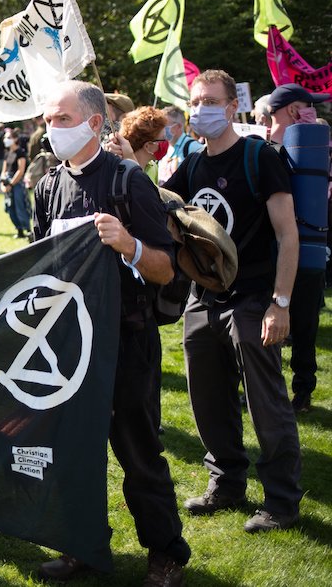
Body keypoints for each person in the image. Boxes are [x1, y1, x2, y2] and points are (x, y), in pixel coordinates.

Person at [33, 81, 189, 586]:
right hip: (68, 345)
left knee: (138, 453)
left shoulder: (128, 181)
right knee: (74, 450)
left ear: (94, 123)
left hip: (126, 341)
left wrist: (129, 245)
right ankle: (80, 543)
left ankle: (166, 553)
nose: (50, 128)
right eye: (48, 119)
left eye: (60, 119)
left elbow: (167, 268)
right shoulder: (47, 186)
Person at [163, 70, 302, 533]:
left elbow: (288, 233)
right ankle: (226, 483)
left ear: (230, 108)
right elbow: (160, 205)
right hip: (204, 298)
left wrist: (279, 303)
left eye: (210, 101)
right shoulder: (194, 164)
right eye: (195, 100)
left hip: (255, 298)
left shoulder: (259, 156)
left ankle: (281, 501)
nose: (200, 108)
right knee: (206, 396)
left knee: (266, 402)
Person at [261, 83, 331, 413]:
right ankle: (302, 393)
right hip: (309, 252)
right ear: (292, 110)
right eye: (307, 106)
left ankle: (275, 392)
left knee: (281, 327)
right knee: (303, 329)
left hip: (279, 255)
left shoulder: (259, 151)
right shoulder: (268, 152)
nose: (312, 112)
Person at [119, 106, 171, 186]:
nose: (166, 142)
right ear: (147, 146)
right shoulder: (121, 171)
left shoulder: (153, 167)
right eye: (163, 139)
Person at [158, 106, 202, 186]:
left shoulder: (193, 147)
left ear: (178, 126)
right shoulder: (163, 147)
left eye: (165, 125)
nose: (161, 129)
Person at [0, 133, 31, 238]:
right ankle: (19, 230)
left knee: (20, 206)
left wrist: (11, 184)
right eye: (5, 138)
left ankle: (28, 229)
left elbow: (20, 170)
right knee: (10, 207)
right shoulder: (7, 152)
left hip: (17, 183)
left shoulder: (20, 152)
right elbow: (4, 170)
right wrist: (3, 184)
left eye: (9, 137)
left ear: (15, 139)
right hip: (7, 181)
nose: (6, 140)